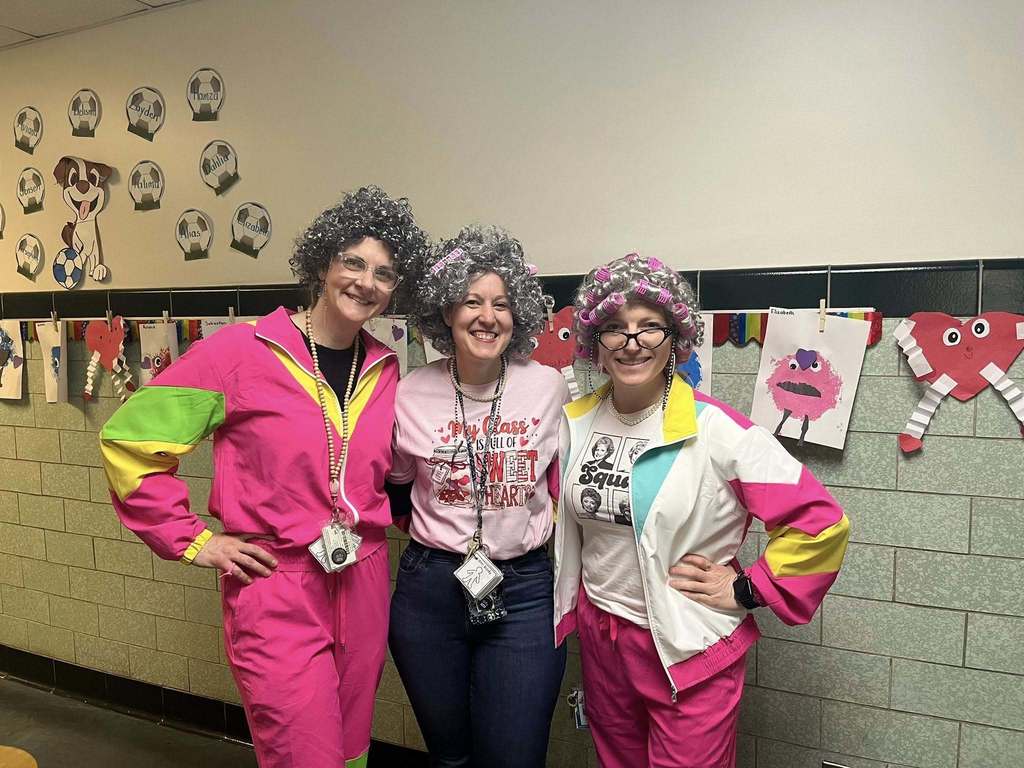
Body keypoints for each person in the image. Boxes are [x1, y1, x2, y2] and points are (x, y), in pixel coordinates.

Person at [99, 186, 427, 768]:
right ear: (323, 263)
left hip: (365, 575)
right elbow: (130, 442)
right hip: (277, 581)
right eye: (353, 261)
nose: (366, 282)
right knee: (305, 754)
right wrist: (194, 540)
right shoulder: (239, 352)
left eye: (385, 272)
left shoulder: (386, 367)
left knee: (350, 750)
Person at [553, 253, 850, 768]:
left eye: (650, 327)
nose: (632, 342)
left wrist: (746, 587)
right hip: (603, 639)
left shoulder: (718, 429)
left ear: (674, 339)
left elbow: (821, 522)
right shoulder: (574, 423)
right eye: (615, 328)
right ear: (595, 343)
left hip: (688, 642)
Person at [388, 225, 568, 768]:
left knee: (514, 756)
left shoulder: (547, 386)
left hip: (525, 592)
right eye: (471, 301)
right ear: (446, 313)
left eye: (502, 304)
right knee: (450, 756)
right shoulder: (411, 391)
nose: (487, 316)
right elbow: (396, 486)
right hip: (428, 593)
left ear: (518, 319)